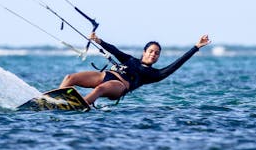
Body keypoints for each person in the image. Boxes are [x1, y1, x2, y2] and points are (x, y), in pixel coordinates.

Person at [60, 33, 211, 105]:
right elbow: (115, 50)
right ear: (144, 52)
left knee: (100, 89)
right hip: (106, 75)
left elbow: (177, 64)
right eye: (151, 51)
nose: (153, 55)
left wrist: (196, 47)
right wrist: (99, 41)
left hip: (119, 86)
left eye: (157, 53)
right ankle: (54, 100)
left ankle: (80, 106)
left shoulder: (154, 74)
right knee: (70, 78)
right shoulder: (130, 59)